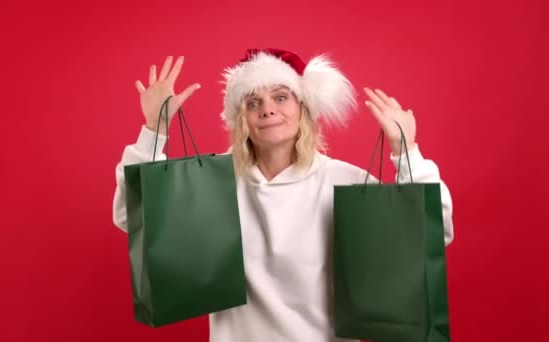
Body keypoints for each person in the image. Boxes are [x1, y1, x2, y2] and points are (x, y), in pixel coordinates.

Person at [112, 48, 454, 342]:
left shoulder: (345, 181)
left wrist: (407, 152)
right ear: (239, 117)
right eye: (253, 101)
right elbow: (135, 215)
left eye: (280, 97)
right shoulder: (212, 182)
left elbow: (429, 235)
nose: (267, 109)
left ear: (302, 107)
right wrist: (153, 131)